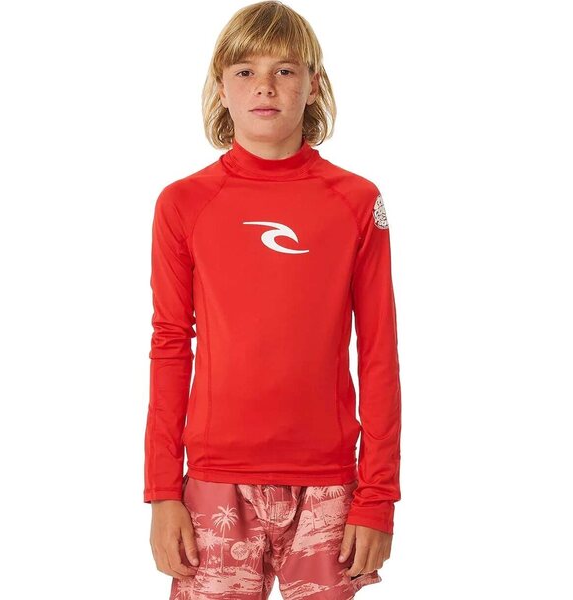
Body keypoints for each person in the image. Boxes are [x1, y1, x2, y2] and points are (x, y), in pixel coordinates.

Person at [143, 2, 402, 598]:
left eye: (285, 70)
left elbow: (379, 352)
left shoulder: (356, 201)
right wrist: (161, 491)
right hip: (214, 481)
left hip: (332, 485)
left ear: (315, 85)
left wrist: (378, 495)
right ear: (221, 87)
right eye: (245, 71)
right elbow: (169, 345)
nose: (265, 85)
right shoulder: (183, 203)